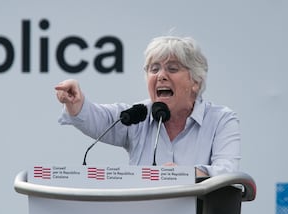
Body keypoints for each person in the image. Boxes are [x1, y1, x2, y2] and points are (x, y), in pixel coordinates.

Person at [55, 36, 241, 177]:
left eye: (172, 68)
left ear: (196, 82)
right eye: (154, 69)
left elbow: (227, 172)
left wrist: (184, 176)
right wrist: (76, 102)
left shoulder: (221, 120)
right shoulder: (138, 115)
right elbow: (99, 119)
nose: (161, 75)